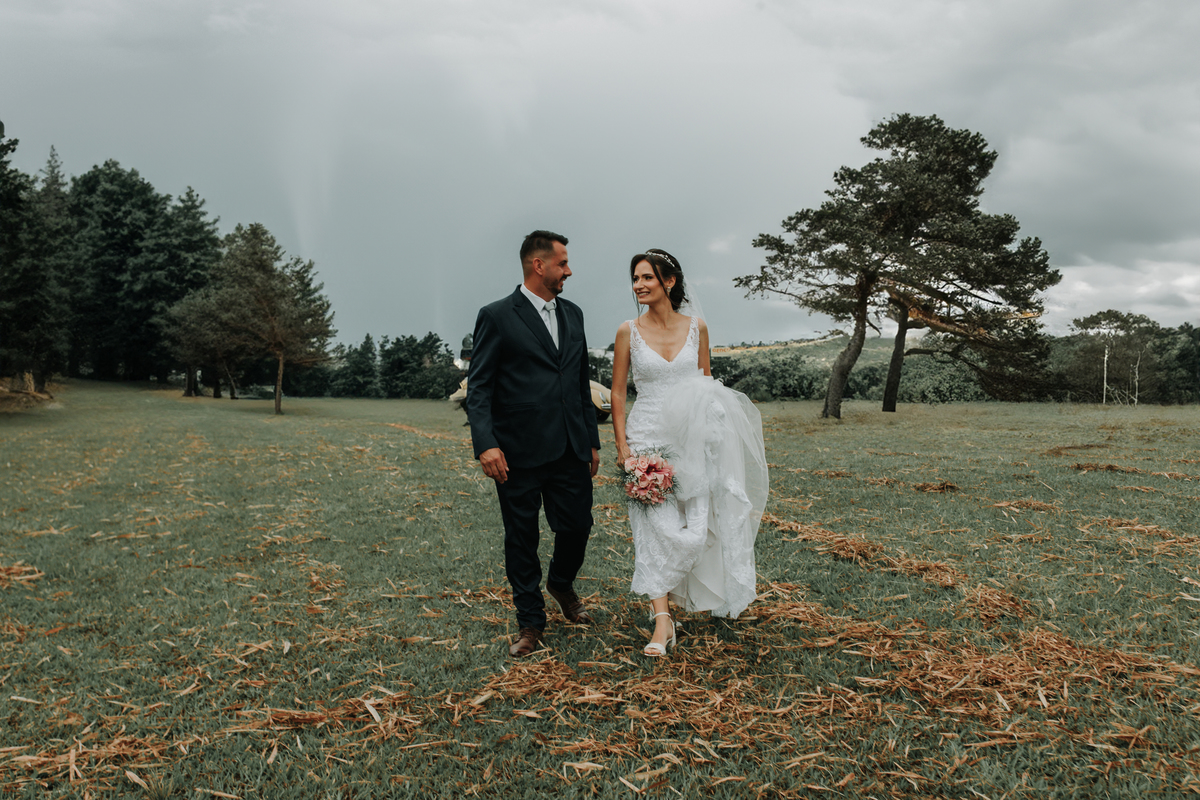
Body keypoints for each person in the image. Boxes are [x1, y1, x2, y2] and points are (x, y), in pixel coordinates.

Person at [610, 249, 768, 657]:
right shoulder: (628, 331)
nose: (638, 285)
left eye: (647, 277)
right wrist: (623, 446)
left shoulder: (697, 328)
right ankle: (662, 622)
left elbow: (707, 384)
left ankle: (687, 596)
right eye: (635, 278)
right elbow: (618, 392)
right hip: (646, 439)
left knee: (694, 531)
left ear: (669, 281)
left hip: (692, 440)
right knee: (653, 529)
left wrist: (715, 435)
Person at [466, 231, 602, 658]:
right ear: (538, 265)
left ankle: (561, 583)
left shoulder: (574, 314)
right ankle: (530, 622)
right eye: (563, 263)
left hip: (571, 447)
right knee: (521, 539)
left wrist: (591, 440)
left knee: (578, 527)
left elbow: (579, 382)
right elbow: (479, 387)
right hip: (516, 453)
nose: (569, 271)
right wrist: (486, 444)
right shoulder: (496, 316)